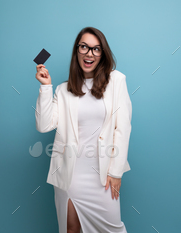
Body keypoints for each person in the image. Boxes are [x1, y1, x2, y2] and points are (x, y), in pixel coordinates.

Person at [35, 26, 132, 233]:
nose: (90, 53)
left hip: (104, 175)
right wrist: (46, 87)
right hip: (70, 176)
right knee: (71, 229)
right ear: (77, 51)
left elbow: (122, 128)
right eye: (84, 47)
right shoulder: (63, 90)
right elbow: (44, 126)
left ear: (102, 54)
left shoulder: (116, 81)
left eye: (96, 49)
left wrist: (116, 172)